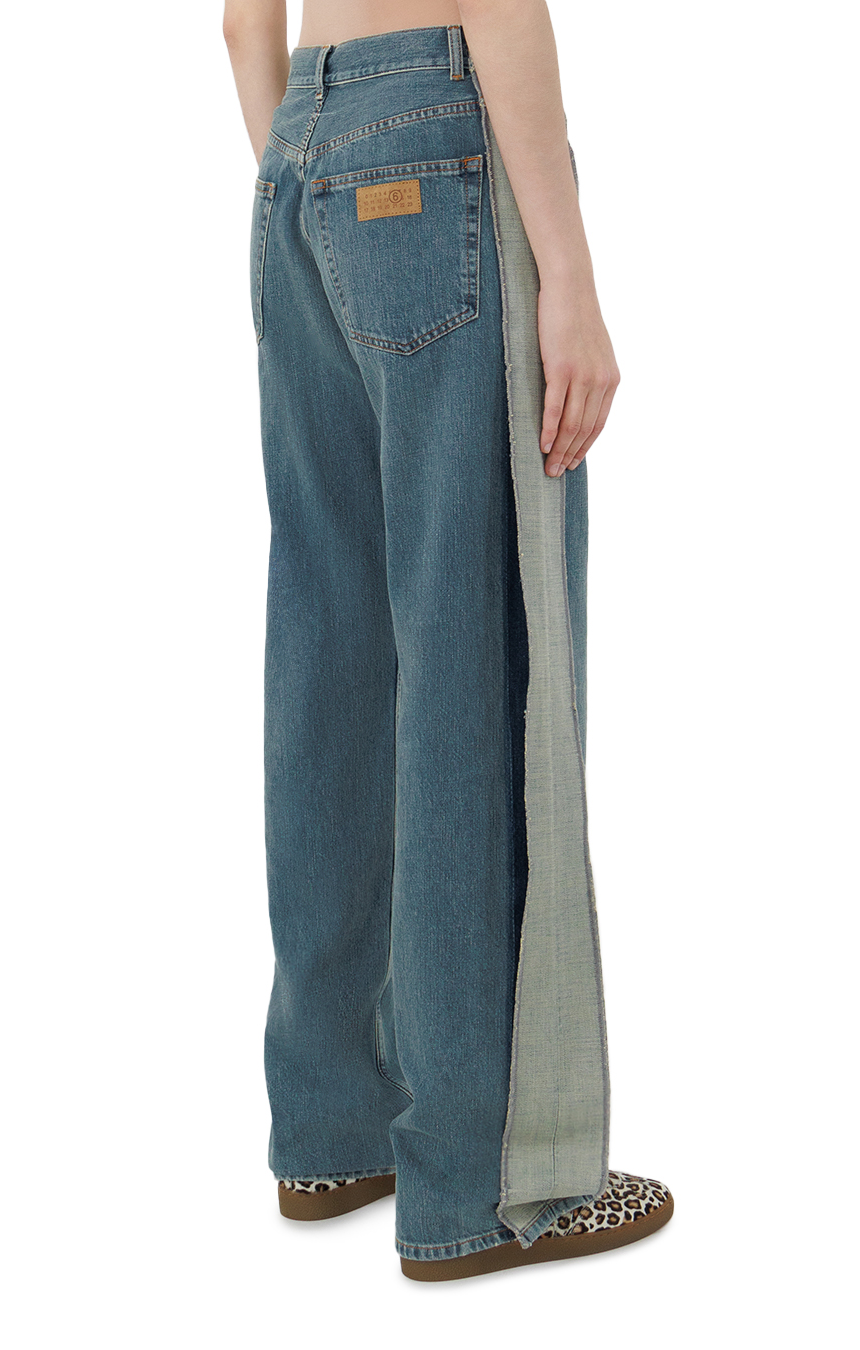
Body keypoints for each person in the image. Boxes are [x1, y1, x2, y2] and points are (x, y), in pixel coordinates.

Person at [222, 0, 672, 1280]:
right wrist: (570, 278)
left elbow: (242, 22)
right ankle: (481, 1182)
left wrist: (316, 174)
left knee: (331, 658)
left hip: (297, 157)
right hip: (437, 136)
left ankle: (331, 1129)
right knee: (475, 653)